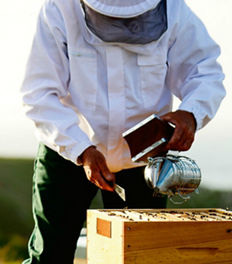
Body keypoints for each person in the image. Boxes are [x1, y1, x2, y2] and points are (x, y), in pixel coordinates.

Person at [20, 0, 226, 263]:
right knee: (50, 256)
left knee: (144, 256)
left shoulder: (173, 9)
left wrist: (193, 113)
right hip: (68, 150)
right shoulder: (60, 8)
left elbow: (204, 71)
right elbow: (38, 92)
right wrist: (81, 150)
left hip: (144, 160)